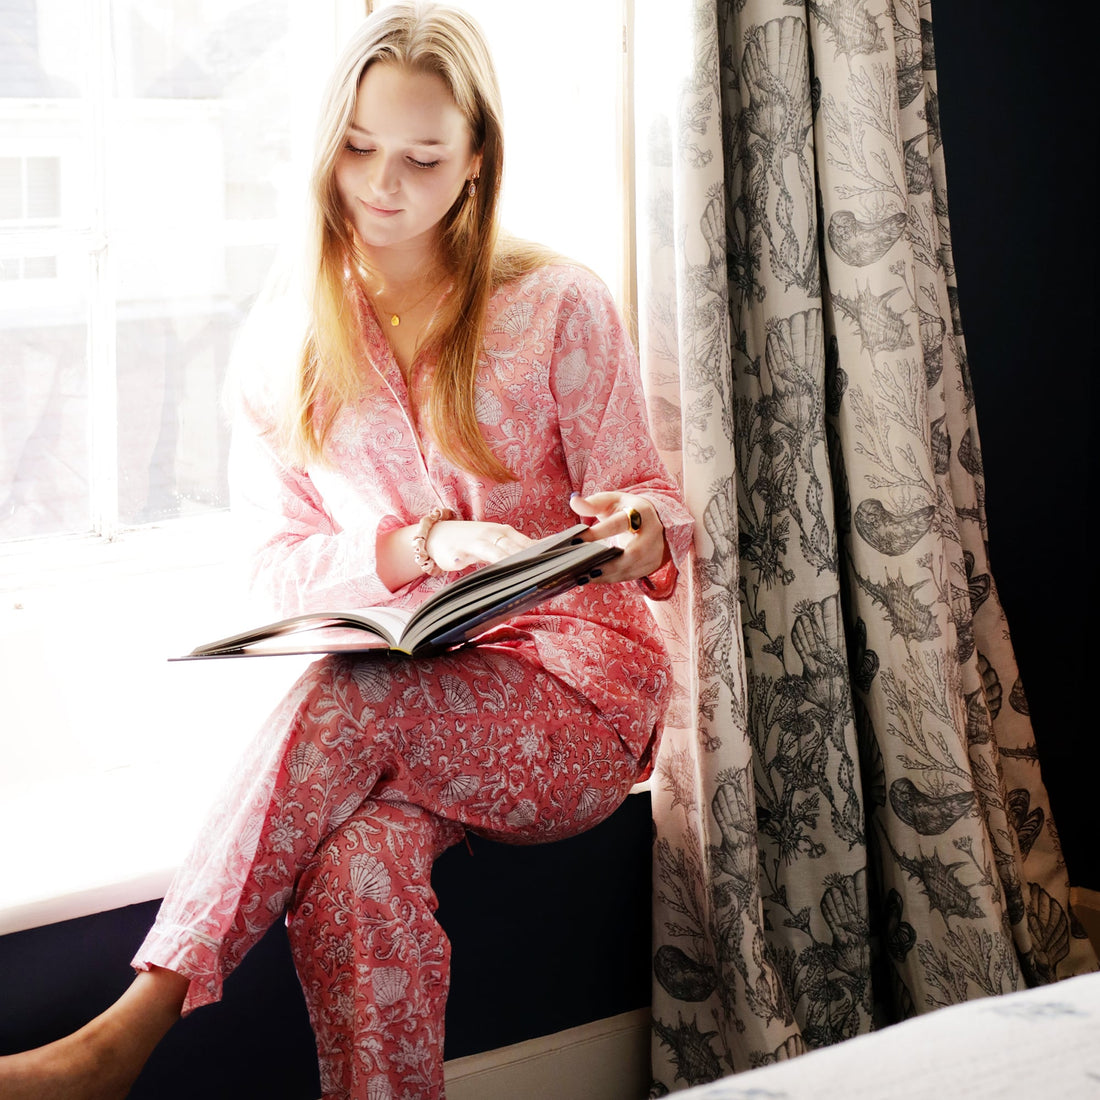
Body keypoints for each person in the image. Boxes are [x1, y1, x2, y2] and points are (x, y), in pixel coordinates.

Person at [0, 3, 693, 1098]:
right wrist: (414, 546)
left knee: (347, 695)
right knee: (351, 865)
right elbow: (274, 568)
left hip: (576, 701)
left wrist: (640, 534)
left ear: (474, 165)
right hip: (416, 695)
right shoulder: (286, 348)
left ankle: (121, 1036)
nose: (384, 182)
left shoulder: (557, 305)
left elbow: (652, 504)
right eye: (360, 148)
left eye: (422, 157)